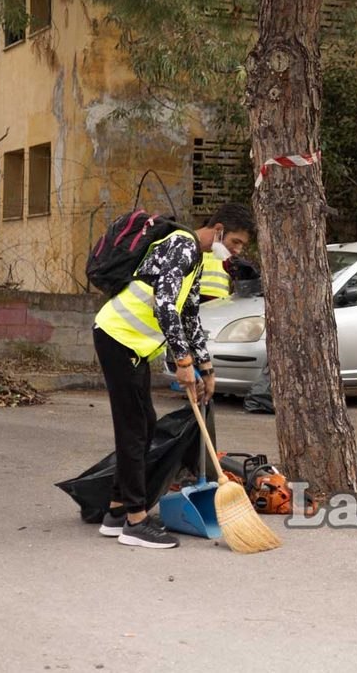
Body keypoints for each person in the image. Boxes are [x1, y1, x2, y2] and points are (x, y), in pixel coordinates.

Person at [93, 203, 255, 549]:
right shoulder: (181, 245)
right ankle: (135, 521)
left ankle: (117, 510)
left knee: (144, 425)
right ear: (220, 229)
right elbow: (164, 304)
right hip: (117, 337)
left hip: (131, 346)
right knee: (134, 428)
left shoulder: (196, 259)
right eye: (237, 243)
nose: (238, 251)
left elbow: (190, 314)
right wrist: (183, 363)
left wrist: (206, 368)